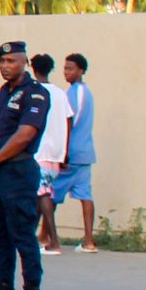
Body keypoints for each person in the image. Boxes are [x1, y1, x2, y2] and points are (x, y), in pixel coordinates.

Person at [0, 40, 51, 290]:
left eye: (12, 62)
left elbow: (25, 135)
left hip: (17, 172)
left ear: (25, 64)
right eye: (2, 62)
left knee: (23, 236)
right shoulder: (0, 96)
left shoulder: (35, 94)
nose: (6, 67)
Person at [31, 53, 72, 255]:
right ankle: (32, 237)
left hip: (40, 151)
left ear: (32, 67)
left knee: (44, 194)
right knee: (41, 193)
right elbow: (68, 120)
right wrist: (65, 151)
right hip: (55, 152)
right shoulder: (60, 93)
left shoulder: (34, 92)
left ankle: (54, 241)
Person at [59, 53, 98, 252]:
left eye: (70, 68)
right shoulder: (85, 92)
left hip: (72, 153)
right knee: (85, 195)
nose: (66, 72)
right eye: (65, 68)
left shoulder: (75, 92)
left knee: (49, 194)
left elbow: (69, 121)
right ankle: (89, 241)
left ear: (81, 70)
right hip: (85, 153)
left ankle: (46, 238)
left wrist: (63, 151)